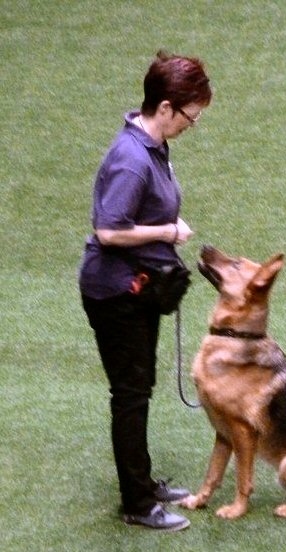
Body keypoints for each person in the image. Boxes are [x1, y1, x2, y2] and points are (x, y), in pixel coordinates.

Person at [79, 51, 212, 531]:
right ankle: (136, 503)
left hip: (138, 290)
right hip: (116, 294)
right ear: (166, 107)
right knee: (131, 395)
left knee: (140, 388)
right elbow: (108, 232)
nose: (189, 126)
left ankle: (144, 481)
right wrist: (166, 233)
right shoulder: (133, 160)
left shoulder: (152, 145)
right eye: (189, 118)